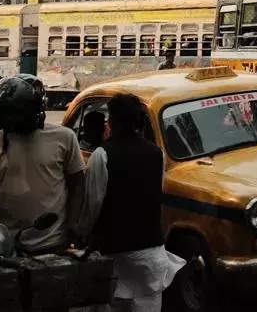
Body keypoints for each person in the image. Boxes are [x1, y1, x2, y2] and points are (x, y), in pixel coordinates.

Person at [79, 94, 184, 312]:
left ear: (112, 121)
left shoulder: (102, 155)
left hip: (114, 251)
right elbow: (157, 197)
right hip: (150, 252)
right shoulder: (157, 154)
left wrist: (83, 236)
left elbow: (92, 205)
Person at [0, 75, 86, 253]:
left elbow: (77, 185)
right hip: (9, 241)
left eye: (16, 115)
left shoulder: (65, 137)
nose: (11, 122)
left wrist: (73, 224)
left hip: (53, 241)